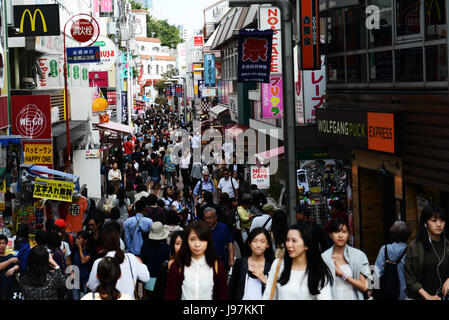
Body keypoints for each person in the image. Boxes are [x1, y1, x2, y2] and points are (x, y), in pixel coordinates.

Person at [263, 222, 333, 300]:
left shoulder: (318, 272)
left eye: (294, 241)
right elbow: (268, 296)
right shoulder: (278, 265)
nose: (289, 245)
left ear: (306, 245)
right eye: (288, 240)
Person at [164, 220, 228, 300]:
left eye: (201, 239)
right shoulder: (178, 265)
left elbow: (222, 295)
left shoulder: (217, 266)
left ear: (208, 241)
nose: (197, 244)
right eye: (192, 239)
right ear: (187, 241)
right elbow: (170, 295)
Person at [87, 226, 150, 300]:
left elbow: (92, 287)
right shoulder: (131, 258)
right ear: (118, 241)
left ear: (102, 243)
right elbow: (146, 278)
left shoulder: (99, 263)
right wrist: (140, 263)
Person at [405, 204, 449, 300]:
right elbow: (409, 277)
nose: (438, 224)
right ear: (425, 223)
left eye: (442, 220)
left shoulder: (447, 245)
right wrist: (427, 296)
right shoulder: (414, 247)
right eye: (434, 220)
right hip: (420, 297)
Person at [321, 218, 371, 300]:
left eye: (344, 232)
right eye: (336, 232)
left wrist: (343, 275)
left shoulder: (358, 255)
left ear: (348, 234)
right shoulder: (324, 258)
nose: (340, 235)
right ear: (330, 234)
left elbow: (365, 286)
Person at [228, 228, 275, 300]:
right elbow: (231, 291)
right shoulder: (240, 264)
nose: (258, 245)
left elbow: (279, 292)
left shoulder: (273, 266)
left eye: (262, 242)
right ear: (249, 243)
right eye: (255, 241)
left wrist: (265, 281)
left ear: (267, 244)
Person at [373, 221, 411, 300]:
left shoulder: (384, 249)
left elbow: (376, 271)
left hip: (387, 293)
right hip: (406, 294)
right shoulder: (410, 250)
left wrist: (371, 289)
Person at [140, 222, 170, 300]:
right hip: (161, 280)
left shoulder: (145, 244)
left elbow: (142, 260)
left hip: (148, 278)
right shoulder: (165, 247)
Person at [70, 230, 91, 300]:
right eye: (76, 238)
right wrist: (71, 270)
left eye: (79, 238)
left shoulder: (89, 250)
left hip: (86, 278)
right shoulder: (74, 248)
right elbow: (69, 260)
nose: (77, 240)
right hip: (75, 278)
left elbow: (83, 260)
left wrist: (79, 247)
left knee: (86, 297)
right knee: (76, 298)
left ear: (85, 240)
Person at [0, 235, 19, 300]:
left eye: (3, 243)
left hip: (10, 289)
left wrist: (13, 268)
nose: (2, 245)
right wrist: (10, 261)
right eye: (0, 243)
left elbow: (18, 264)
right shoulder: (11, 259)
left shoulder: (11, 255)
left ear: (6, 244)